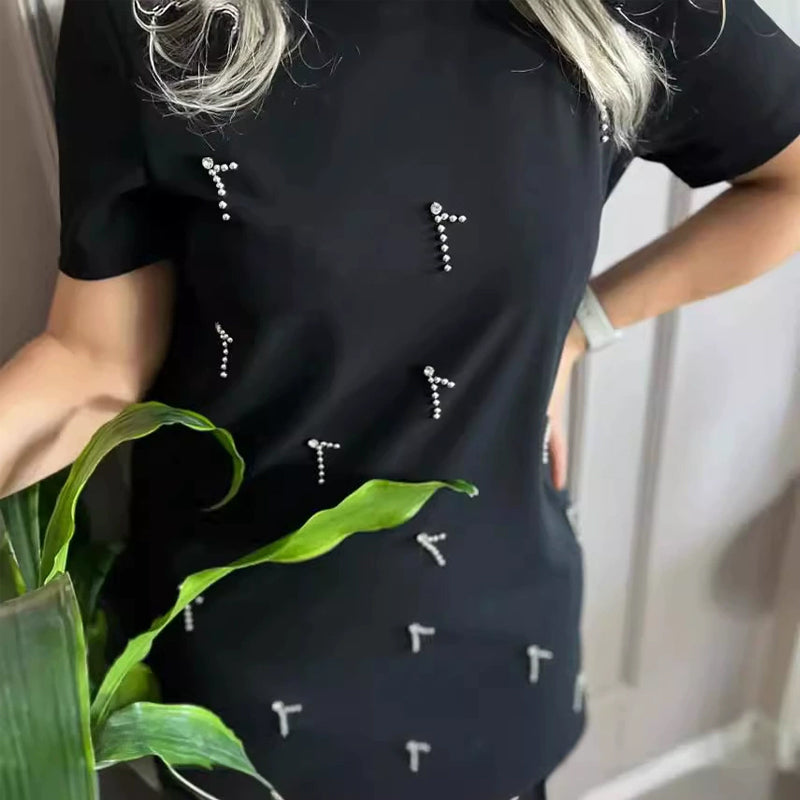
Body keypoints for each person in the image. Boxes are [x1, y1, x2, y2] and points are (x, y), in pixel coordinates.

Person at [2, 0, 800, 797]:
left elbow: (787, 181)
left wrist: (581, 329)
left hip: (496, 626)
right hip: (247, 651)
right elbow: (93, 361)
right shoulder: (149, 18)